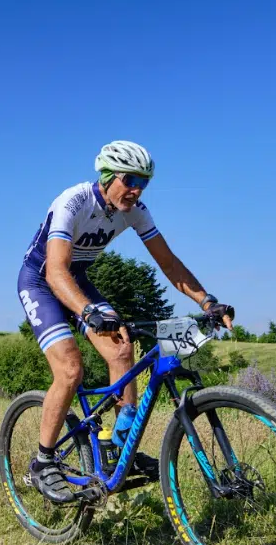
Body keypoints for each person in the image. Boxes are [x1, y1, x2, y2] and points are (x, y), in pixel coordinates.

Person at [18, 140, 235, 503]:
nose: (136, 190)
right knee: (71, 370)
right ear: (107, 176)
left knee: (122, 349)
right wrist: (88, 312)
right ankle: (42, 462)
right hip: (41, 281)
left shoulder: (135, 211)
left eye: (143, 183)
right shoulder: (73, 202)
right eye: (130, 180)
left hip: (77, 280)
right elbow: (55, 271)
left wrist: (207, 300)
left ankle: (120, 449)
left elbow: (169, 263)